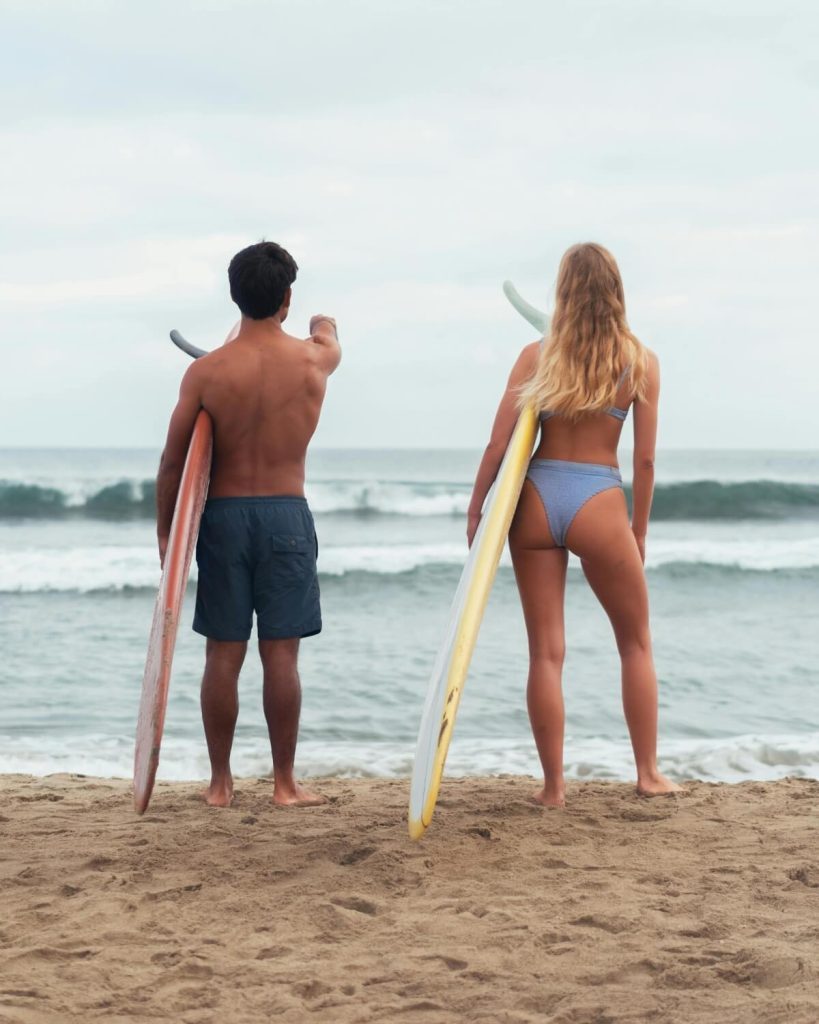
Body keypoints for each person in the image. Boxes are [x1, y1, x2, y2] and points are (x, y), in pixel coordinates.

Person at [467, 243, 680, 807]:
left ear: (563, 291)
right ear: (616, 291)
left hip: (536, 499)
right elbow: (645, 462)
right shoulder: (640, 361)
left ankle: (553, 789)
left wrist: (477, 508)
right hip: (599, 502)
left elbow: (498, 444)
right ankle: (647, 775)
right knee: (635, 644)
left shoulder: (536, 356)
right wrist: (638, 530)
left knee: (545, 653)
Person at [155, 241, 341, 808]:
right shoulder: (313, 361)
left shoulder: (207, 372)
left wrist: (167, 535)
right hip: (286, 514)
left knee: (223, 654)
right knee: (281, 655)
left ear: (234, 296)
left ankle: (220, 784)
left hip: (224, 519)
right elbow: (328, 335)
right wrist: (320, 322)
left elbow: (173, 464)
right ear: (286, 298)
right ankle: (285, 784)